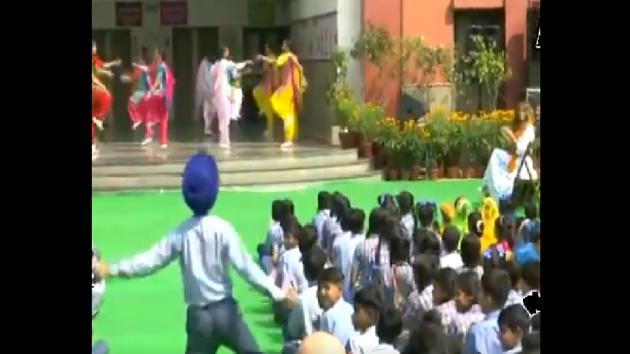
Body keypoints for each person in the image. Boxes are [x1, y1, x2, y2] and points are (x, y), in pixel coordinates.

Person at [94, 152, 293, 354]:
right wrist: (278, 293)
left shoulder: (180, 234)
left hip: (199, 319)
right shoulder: (223, 229)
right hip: (227, 313)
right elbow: (246, 268)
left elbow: (149, 261)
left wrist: (113, 269)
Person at [483, 103, 538, 201]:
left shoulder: (529, 130)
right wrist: (511, 135)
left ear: (527, 118)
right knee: (496, 155)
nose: (522, 123)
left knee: (496, 155)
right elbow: (513, 148)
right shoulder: (519, 129)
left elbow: (521, 150)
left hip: (522, 162)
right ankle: (491, 187)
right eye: (520, 121)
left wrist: (512, 138)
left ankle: (495, 190)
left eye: (523, 121)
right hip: (514, 159)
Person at [258, 39, 307, 150]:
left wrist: (263, 58)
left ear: (288, 46)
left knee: (282, 109)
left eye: (284, 44)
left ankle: (289, 139)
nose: (282, 46)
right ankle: (290, 138)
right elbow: (300, 68)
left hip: (287, 88)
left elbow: (275, 62)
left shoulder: (287, 56)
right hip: (292, 88)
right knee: (291, 113)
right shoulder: (293, 57)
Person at [464, 268, 511, 354]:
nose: (477, 294)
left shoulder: (477, 332)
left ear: (488, 299)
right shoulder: (515, 323)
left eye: (480, 290)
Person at [92, 40, 120, 156]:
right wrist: (99, 84)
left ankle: (92, 145)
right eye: (94, 47)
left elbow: (100, 67)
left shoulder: (94, 59)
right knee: (106, 96)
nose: (95, 49)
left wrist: (109, 69)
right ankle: (99, 117)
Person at [331, 208, 366, 302]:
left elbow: (333, 261)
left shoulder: (338, 241)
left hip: (340, 292)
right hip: (359, 293)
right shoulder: (364, 241)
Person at [143, 49, 176, 149]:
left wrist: (153, 88)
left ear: (161, 57)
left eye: (157, 56)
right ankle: (162, 140)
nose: (155, 58)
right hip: (166, 94)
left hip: (162, 95)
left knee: (161, 117)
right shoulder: (166, 67)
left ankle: (161, 140)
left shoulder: (162, 68)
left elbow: (158, 79)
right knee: (163, 118)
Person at [317, 267, 357, 346]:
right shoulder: (350, 308)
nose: (322, 292)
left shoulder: (329, 315)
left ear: (340, 289)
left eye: (327, 288)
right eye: (319, 288)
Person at [448, 271, 485, 340]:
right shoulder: (485, 315)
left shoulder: (458, 322)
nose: (454, 298)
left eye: (458, 294)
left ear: (471, 296)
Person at [253, 43, 279, 140]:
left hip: (271, 86)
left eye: (267, 47)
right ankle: (262, 108)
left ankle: (270, 131)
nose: (265, 49)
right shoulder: (269, 58)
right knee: (256, 91)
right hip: (267, 84)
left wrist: (262, 58)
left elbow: (270, 65)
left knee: (269, 112)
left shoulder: (271, 58)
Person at [346, 286, 382, 354]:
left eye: (356, 310)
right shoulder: (382, 342)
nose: (352, 315)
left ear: (370, 313)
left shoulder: (355, 343)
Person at [124, 58, 152, 131]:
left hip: (141, 92)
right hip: (144, 93)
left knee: (131, 103)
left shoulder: (142, 70)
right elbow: (133, 78)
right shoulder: (140, 70)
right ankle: (149, 134)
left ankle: (137, 119)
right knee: (145, 113)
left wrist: (128, 78)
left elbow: (134, 77)